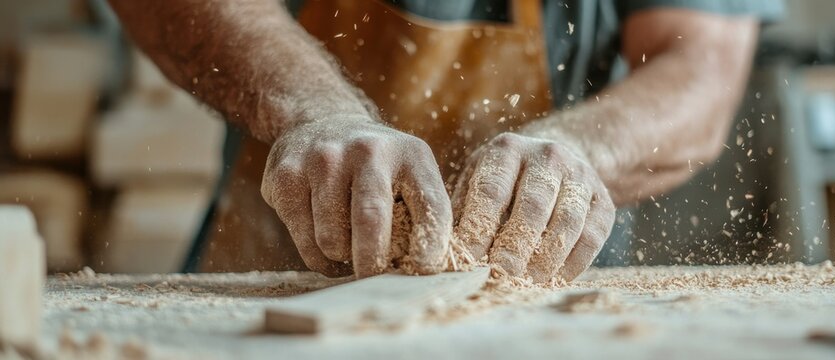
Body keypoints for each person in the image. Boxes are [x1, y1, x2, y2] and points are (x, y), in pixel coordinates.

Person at [108, 0, 782, 281]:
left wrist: (583, 149)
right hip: (276, 273)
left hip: (543, 297)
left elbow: (699, 63)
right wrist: (313, 111)